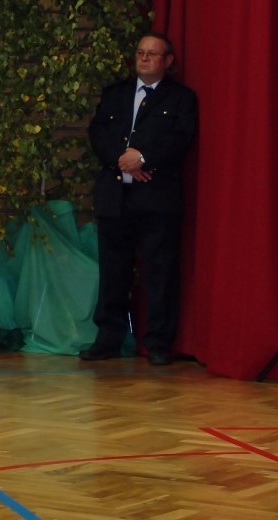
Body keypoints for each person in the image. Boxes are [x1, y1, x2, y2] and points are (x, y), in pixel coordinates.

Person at [81, 32, 198, 366]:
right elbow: (98, 132)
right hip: (115, 195)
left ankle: (158, 343)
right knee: (113, 273)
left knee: (159, 274)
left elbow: (180, 139)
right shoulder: (115, 93)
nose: (144, 59)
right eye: (141, 53)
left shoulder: (180, 98)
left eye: (152, 54)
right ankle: (108, 339)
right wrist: (124, 160)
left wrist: (144, 159)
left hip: (157, 199)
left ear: (168, 61)